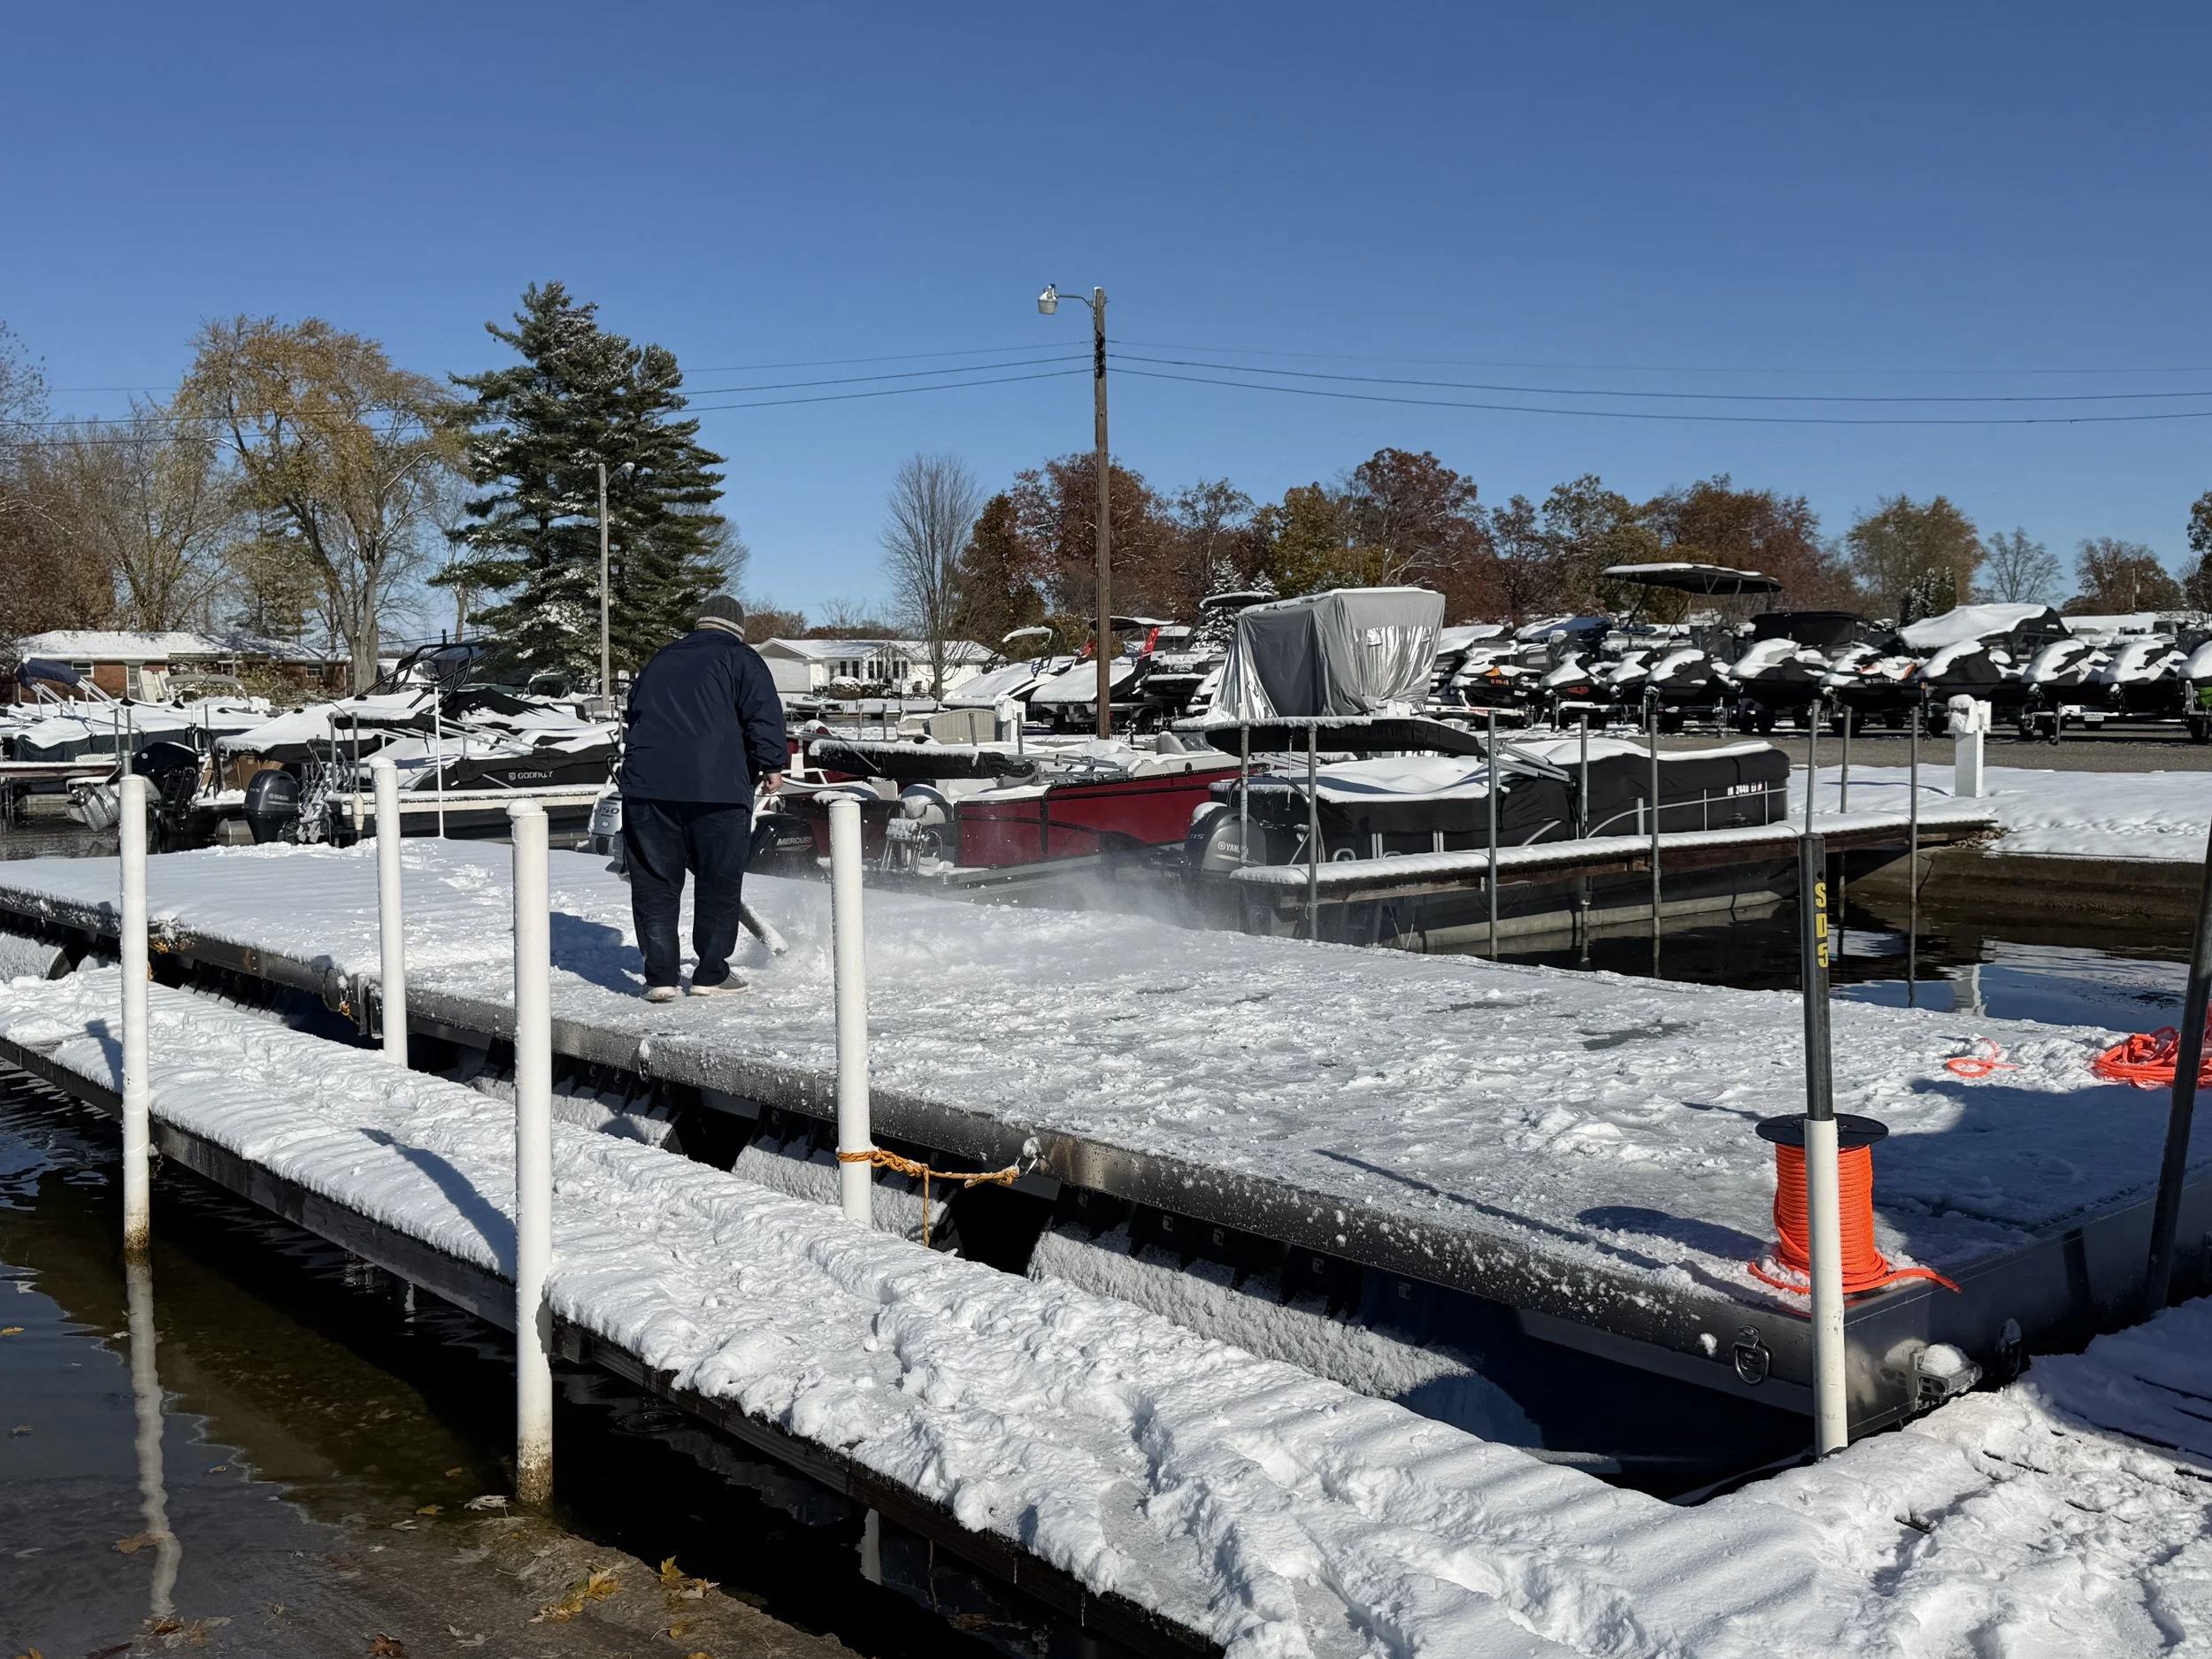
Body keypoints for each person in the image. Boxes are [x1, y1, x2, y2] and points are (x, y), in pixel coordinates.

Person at [617, 595, 787, 1002]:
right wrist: (772, 765)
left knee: (655, 884)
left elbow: (634, 712)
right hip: (718, 789)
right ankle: (710, 974)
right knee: (717, 882)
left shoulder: (661, 659)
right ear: (737, 628)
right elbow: (763, 714)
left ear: (700, 623)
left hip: (648, 788)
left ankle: (660, 978)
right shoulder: (742, 659)